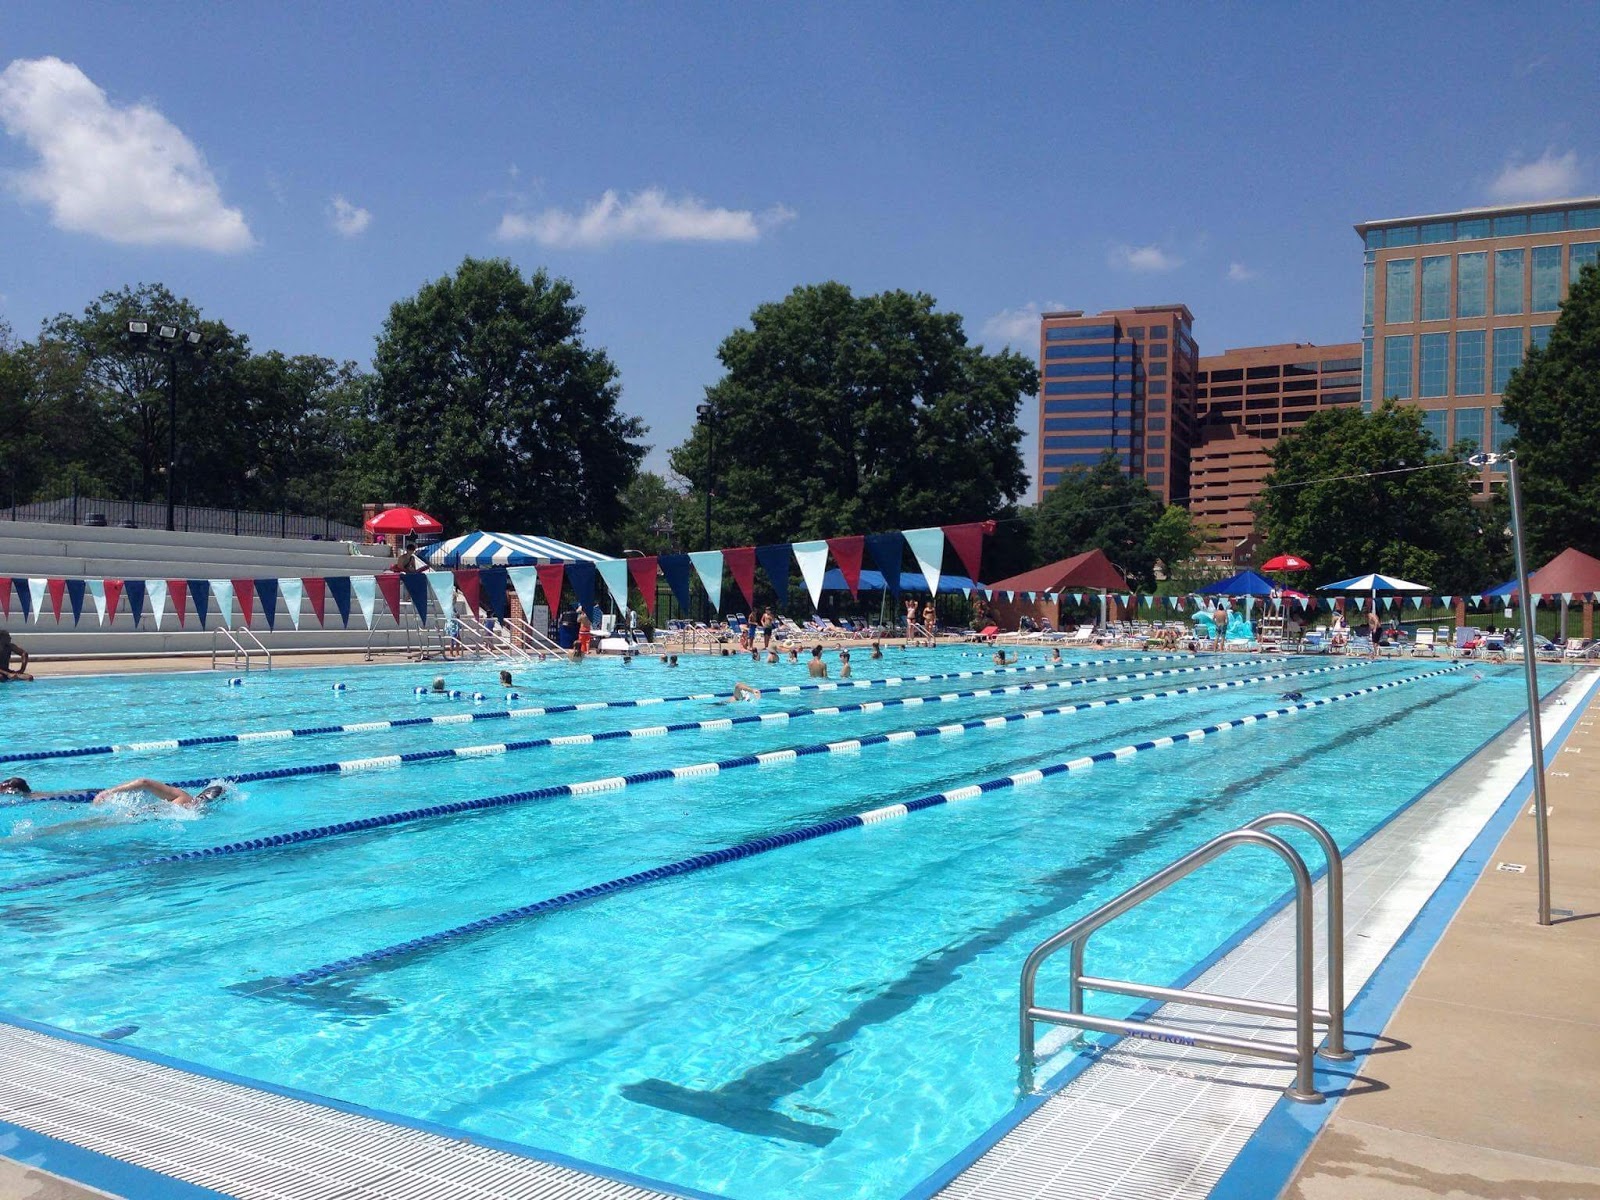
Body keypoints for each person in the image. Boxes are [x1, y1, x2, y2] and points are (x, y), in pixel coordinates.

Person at [93, 778, 229, 811]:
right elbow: (144, 782)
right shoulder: (184, 798)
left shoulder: (184, 800)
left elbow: (144, 782)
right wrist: (109, 792)